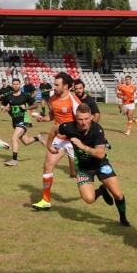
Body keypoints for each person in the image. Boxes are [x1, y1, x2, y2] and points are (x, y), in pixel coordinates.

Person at [46, 103, 131, 226]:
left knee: (118, 194)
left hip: (101, 165)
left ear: (91, 117)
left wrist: (82, 146)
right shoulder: (69, 127)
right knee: (89, 199)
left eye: (86, 119)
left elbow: (101, 154)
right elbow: (54, 129)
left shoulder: (97, 129)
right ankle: (101, 191)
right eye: (80, 119)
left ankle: (123, 219)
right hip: (84, 168)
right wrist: (49, 146)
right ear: (76, 118)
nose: (84, 122)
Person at [33, 72, 81, 210]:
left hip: (74, 140)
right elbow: (52, 115)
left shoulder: (74, 101)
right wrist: (44, 118)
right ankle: (46, 200)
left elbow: (83, 121)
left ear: (66, 86)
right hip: (59, 140)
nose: (53, 87)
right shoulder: (53, 98)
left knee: (77, 173)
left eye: (56, 85)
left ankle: (100, 189)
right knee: (48, 165)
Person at [0, 78, 45, 166]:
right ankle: (37, 138)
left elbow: (35, 104)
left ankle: (14, 160)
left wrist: (26, 108)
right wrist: (4, 109)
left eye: (17, 84)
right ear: (12, 85)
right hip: (15, 122)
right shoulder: (9, 96)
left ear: (19, 85)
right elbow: (3, 105)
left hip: (24, 121)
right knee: (26, 142)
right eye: (14, 84)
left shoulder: (25, 96)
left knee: (14, 138)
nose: (15, 85)